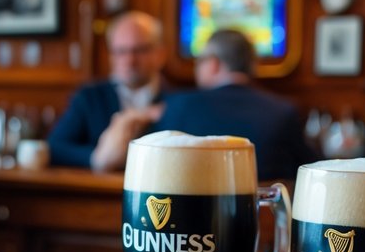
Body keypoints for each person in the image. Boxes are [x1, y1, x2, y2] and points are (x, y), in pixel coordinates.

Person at [151, 29, 316, 181]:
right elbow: (310, 168)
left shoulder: (179, 105)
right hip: (263, 212)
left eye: (200, 60)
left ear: (214, 64)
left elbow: (158, 166)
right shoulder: (284, 111)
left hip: (192, 211)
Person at [48, 11, 170, 172]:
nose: (129, 60)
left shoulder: (179, 100)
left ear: (160, 54)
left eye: (139, 50)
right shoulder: (89, 97)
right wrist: (96, 158)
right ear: (111, 56)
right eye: (120, 51)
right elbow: (55, 147)